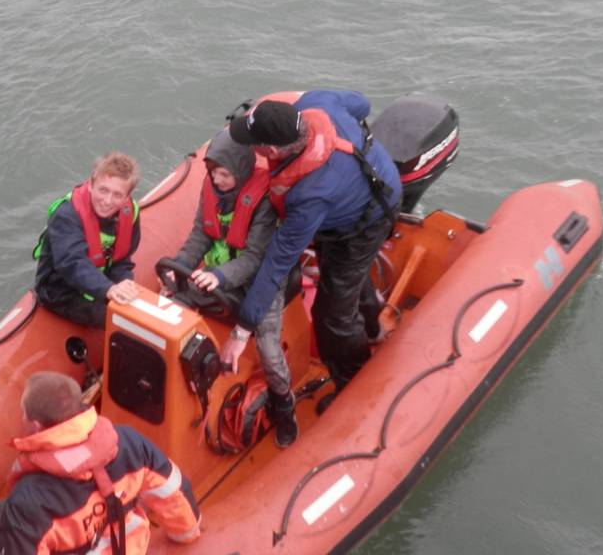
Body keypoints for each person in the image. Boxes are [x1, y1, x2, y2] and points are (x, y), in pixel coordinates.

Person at [226, 90, 401, 414]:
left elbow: (278, 261)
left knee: (331, 314)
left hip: (366, 222)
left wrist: (242, 329)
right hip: (357, 194)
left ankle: (354, 381)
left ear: (273, 150)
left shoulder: (310, 196)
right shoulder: (318, 102)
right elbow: (362, 103)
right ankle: (373, 327)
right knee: (345, 278)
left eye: (253, 143)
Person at [163, 129, 298, 448]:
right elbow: (201, 234)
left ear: (240, 170)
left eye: (224, 173)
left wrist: (219, 277)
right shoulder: (210, 190)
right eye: (213, 172)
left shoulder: (262, 201)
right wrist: (180, 266)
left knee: (268, 349)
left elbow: (254, 257)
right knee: (172, 306)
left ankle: (284, 405)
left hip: (260, 280)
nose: (218, 179)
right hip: (219, 272)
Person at [0, 371, 202, 555]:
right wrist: (187, 536)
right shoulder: (130, 442)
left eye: (25, 415)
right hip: (130, 546)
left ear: (37, 426)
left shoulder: (28, 500)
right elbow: (173, 491)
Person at [34, 152, 142, 328]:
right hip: (62, 290)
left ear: (127, 197)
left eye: (117, 195)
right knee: (124, 323)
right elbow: (72, 263)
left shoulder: (130, 214)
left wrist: (124, 281)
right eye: (103, 190)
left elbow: (122, 259)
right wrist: (109, 289)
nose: (107, 201)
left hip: (101, 278)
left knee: (136, 313)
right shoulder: (66, 215)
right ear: (91, 185)